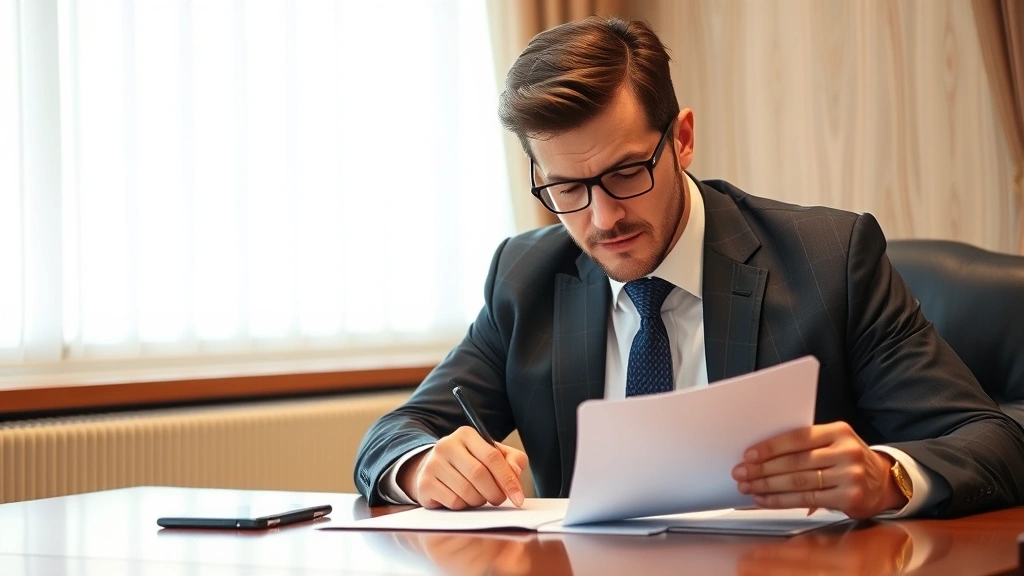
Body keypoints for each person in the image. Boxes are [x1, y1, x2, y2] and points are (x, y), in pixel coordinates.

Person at [354, 16, 1024, 519]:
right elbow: (395, 434)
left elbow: (994, 442)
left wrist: (887, 476)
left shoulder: (829, 260)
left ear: (681, 138)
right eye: (566, 189)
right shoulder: (524, 278)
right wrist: (421, 466)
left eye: (625, 172)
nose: (602, 218)